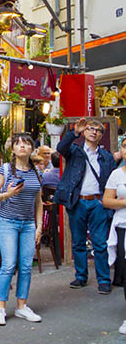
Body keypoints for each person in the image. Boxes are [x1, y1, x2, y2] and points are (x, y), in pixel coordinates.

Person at [55, 118, 118, 294]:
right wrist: (74, 132)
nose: (94, 132)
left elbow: (110, 180)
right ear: (85, 132)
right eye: (90, 128)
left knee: (100, 243)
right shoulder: (75, 151)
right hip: (77, 201)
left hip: (98, 202)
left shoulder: (106, 156)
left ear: (101, 135)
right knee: (78, 242)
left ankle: (104, 280)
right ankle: (81, 276)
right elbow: (61, 149)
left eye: (98, 130)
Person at [0, 133, 44, 326]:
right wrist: (8, 194)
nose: (22, 146)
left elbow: (39, 202)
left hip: (28, 224)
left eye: (26, 143)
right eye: (18, 144)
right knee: (9, 264)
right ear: (12, 149)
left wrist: (39, 227)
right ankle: (0, 308)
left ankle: (22, 306)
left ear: (31, 149)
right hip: (8, 222)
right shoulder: (5, 169)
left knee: (27, 266)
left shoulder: (36, 172)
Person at [104, 137, 126, 316]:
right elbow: (107, 201)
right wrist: (124, 203)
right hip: (123, 225)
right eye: (125, 146)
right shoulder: (116, 174)